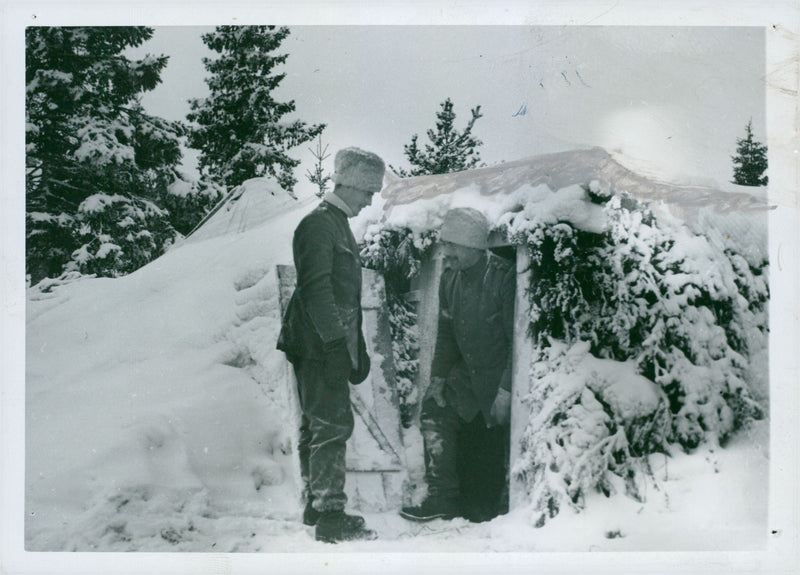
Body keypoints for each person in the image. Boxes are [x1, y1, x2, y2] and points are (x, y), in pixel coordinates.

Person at [277, 147, 384, 543]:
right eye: (367, 191)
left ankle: (315, 504)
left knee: (317, 423)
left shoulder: (338, 225)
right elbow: (316, 290)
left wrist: (357, 347)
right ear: (351, 184)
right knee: (331, 423)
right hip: (317, 343)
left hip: (325, 341)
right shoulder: (318, 225)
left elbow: (345, 297)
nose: (370, 200)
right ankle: (331, 516)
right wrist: (336, 345)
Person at [400, 207, 515, 523]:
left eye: (450, 246)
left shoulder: (504, 277)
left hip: (497, 375)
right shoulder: (449, 278)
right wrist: (437, 377)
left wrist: (505, 390)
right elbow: (447, 334)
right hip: (466, 374)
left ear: (471, 245)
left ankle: (490, 507)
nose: (445, 253)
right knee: (434, 409)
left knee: (486, 442)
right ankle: (441, 498)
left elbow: (516, 341)